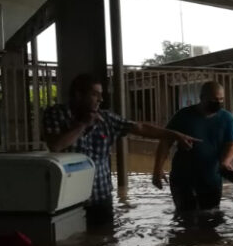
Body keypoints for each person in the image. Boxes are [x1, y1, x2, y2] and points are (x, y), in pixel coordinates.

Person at [43, 73, 198, 224]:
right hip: (69, 201)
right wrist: (83, 124)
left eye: (101, 95)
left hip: (101, 198)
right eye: (95, 95)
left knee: (104, 243)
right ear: (78, 95)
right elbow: (56, 145)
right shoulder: (56, 114)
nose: (100, 100)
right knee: (71, 245)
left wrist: (175, 134)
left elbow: (141, 128)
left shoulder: (106, 118)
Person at [152, 81, 233, 212]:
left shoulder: (227, 119)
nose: (218, 102)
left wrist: (226, 162)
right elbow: (165, 141)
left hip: (211, 178)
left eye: (221, 99)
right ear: (202, 97)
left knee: (211, 218)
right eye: (214, 99)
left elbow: (232, 144)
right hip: (182, 178)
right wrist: (158, 169)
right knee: (184, 217)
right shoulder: (183, 115)